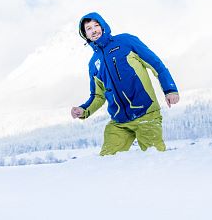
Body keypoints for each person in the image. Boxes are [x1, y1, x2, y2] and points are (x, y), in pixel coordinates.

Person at [71, 12, 180, 155]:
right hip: (119, 122)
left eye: (96, 25)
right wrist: (83, 110)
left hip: (146, 113)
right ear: (85, 34)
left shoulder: (126, 41)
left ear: (103, 26)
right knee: (106, 162)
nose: (94, 30)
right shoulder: (93, 63)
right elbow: (98, 95)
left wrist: (169, 89)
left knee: (155, 160)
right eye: (89, 28)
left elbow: (156, 64)